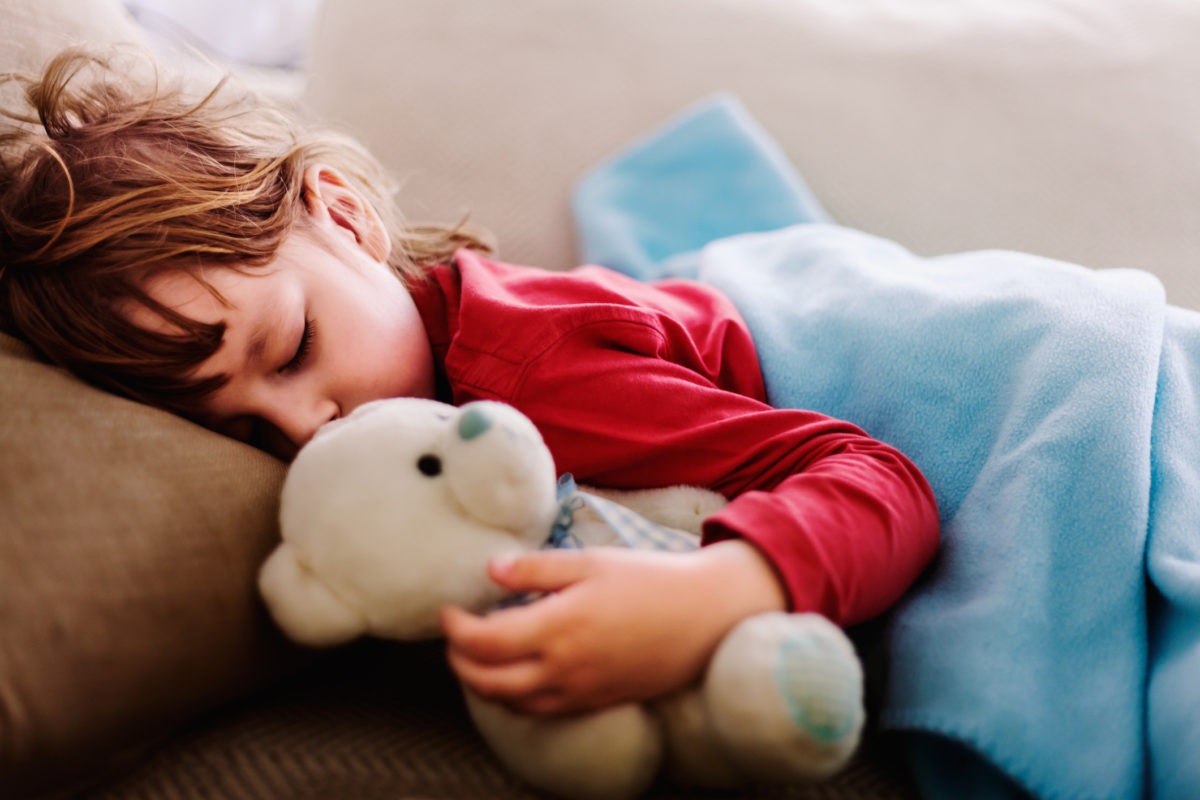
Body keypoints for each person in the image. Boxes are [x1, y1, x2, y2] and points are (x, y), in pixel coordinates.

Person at [0, 48, 939, 717]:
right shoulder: (421, 389)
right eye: (244, 433)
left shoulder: (528, 374)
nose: (306, 430)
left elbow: (876, 479)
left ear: (344, 214)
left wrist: (719, 593)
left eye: (290, 351)